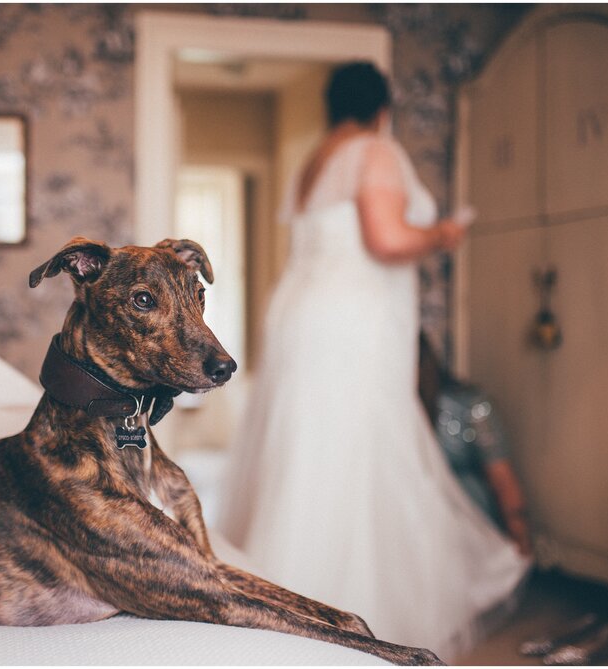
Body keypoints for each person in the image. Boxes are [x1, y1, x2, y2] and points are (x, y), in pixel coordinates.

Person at [217, 62, 530, 660]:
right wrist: (442, 234)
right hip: (348, 320)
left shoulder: (316, 158)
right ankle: (346, 612)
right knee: (357, 446)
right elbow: (385, 240)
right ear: (382, 106)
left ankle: (286, 602)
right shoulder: (375, 151)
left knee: (313, 447)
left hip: (303, 314)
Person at [418, 332, 532, 556]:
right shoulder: (386, 416)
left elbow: (501, 477)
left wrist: (520, 538)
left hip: (465, 517)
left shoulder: (469, 404)